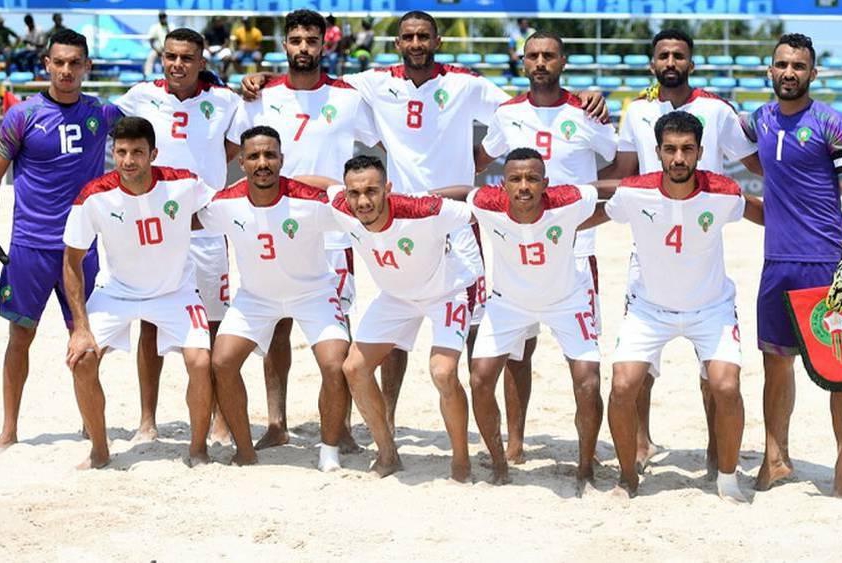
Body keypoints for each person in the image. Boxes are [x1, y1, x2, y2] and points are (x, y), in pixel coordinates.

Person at [242, 10, 607, 433]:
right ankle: (388, 419)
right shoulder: (373, 82)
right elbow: (310, 77)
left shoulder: (465, 83)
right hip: (397, 219)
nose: (416, 43)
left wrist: (583, 96)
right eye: (408, 37)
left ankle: (479, 427)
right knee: (397, 319)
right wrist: (264, 78)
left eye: (423, 36)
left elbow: (527, 103)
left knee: (475, 320)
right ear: (398, 43)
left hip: (455, 220)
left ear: (437, 41)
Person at [599, 28, 761, 477]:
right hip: (648, 245)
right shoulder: (637, 110)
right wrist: (559, 194)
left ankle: (715, 448)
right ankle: (642, 441)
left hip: (702, 240)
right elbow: (624, 172)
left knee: (714, 371)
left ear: (691, 62)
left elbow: (755, 164)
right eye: (663, 55)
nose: (670, 62)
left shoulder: (716, 110)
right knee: (639, 367)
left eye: (678, 55)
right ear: (652, 63)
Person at [234, 9, 380, 450]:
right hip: (270, 227)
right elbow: (233, 147)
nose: (303, 48)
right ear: (285, 45)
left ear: (323, 44)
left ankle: (341, 426)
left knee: (336, 330)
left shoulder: (349, 97)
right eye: (296, 40)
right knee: (276, 327)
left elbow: (386, 141)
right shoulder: (261, 96)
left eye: (311, 40)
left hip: (331, 232)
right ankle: (276, 423)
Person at [474, 30, 617, 466]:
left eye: (549, 56)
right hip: (518, 247)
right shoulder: (507, 113)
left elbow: (618, 162)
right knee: (518, 353)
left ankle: (587, 454)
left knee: (582, 361)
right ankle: (515, 443)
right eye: (533, 56)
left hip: (575, 248)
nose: (540, 62)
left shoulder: (587, 112)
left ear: (563, 61)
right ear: (523, 62)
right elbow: (480, 161)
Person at [198, 125, 373, 471]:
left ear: (282, 159)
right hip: (255, 298)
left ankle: (329, 451)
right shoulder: (225, 203)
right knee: (222, 362)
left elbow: (355, 203)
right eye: (253, 156)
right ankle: (245, 451)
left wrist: (323, 182)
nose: (262, 163)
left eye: (270, 155)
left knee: (335, 364)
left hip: (314, 293)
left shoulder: (309, 200)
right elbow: (182, 219)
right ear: (242, 163)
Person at [0, 29, 120, 450]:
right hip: (30, 248)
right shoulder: (22, 116)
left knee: (88, 343)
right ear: (46, 65)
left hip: (81, 249)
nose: (66, 70)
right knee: (20, 338)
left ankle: (89, 422)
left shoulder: (102, 113)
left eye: (75, 63)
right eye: (59, 62)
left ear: (87, 66)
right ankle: (9, 429)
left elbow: (160, 109)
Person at [739, 34, 842, 498]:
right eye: (782, 64)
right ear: (769, 70)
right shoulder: (759, 119)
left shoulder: (833, 123)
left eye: (798, 66)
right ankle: (776, 458)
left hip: (826, 263)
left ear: (813, 73)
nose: (789, 72)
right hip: (776, 262)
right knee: (775, 364)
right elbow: (714, 119)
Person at [113, 27, 245, 441]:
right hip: (156, 229)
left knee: (214, 324)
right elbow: (119, 139)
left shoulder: (225, 101)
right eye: (171, 56)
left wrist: (209, 171)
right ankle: (147, 420)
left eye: (187, 58)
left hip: (206, 229)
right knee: (150, 323)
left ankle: (220, 419)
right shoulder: (140, 95)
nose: (177, 64)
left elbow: (233, 147)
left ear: (201, 62)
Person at [63, 116, 216, 470]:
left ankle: (198, 450)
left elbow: (224, 208)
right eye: (121, 152)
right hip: (116, 292)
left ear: (153, 154)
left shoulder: (184, 183)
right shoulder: (94, 196)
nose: (128, 160)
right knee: (82, 359)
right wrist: (80, 327)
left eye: (137, 152)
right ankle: (100, 450)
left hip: (175, 291)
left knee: (200, 362)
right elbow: (71, 262)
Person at [338, 155, 480, 481]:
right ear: (345, 194)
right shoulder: (341, 208)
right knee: (354, 368)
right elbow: (314, 186)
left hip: (446, 292)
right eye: (354, 193)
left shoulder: (423, 210)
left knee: (443, 373)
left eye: (372, 191)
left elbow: (478, 204)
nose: (363, 201)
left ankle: (461, 462)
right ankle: (387, 454)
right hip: (395, 298)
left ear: (388, 189)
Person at [468, 148, 603, 487]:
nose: (524, 186)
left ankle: (586, 468)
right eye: (515, 179)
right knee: (480, 379)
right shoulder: (485, 204)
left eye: (532, 178)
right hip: (508, 304)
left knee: (589, 382)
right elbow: (460, 195)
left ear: (546, 183)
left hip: (566, 301)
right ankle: (500, 463)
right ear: (503, 185)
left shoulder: (569, 200)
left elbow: (604, 191)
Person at [143, 12, 170, 76]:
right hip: (156, 48)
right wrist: (157, 50)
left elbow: (172, 39)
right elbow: (151, 41)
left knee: (167, 60)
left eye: (164, 17)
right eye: (161, 17)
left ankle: (167, 75)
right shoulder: (155, 27)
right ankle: (147, 75)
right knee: (150, 57)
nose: (162, 19)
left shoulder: (170, 26)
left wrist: (168, 29)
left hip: (167, 48)